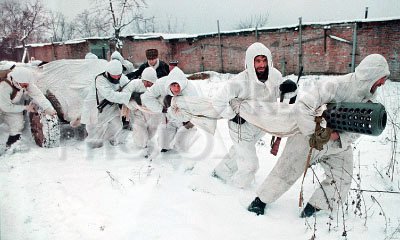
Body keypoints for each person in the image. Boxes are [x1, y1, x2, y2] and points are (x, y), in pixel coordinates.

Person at [247, 54, 390, 217]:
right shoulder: (335, 85)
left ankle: (316, 206)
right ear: (371, 73)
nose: (383, 82)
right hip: (308, 135)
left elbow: (360, 127)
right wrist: (316, 133)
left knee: (343, 175)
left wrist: (338, 138)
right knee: (287, 170)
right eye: (382, 78)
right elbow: (303, 107)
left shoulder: (370, 98)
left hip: (337, 143)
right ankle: (260, 201)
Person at [211, 42, 285, 189]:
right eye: (257, 61)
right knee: (250, 165)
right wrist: (232, 115)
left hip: (261, 125)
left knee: (240, 152)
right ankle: (239, 189)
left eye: (264, 60)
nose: (261, 65)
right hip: (241, 126)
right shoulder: (239, 81)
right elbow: (218, 101)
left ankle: (220, 173)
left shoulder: (275, 76)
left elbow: (281, 95)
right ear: (251, 62)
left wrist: (288, 89)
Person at [141, 67, 198, 152]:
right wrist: (162, 109)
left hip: (186, 121)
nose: (176, 89)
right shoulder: (161, 84)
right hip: (168, 117)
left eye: (178, 85)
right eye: (174, 85)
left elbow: (193, 113)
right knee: (163, 144)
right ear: (169, 84)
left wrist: (175, 111)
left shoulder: (190, 92)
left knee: (181, 147)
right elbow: (146, 97)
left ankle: (184, 144)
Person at [0, 67, 57, 152]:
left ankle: (11, 146)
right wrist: (26, 107)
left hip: (9, 105)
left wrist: (48, 108)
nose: (26, 87)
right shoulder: (4, 87)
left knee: (17, 124)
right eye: (24, 85)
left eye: (27, 84)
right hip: (4, 106)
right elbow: (5, 107)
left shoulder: (23, 83)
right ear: (16, 81)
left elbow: (38, 95)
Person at [83, 60, 136, 148]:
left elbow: (128, 86)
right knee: (95, 136)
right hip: (95, 108)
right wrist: (127, 96)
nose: (116, 77)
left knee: (117, 125)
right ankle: (93, 148)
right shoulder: (100, 80)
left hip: (111, 107)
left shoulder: (121, 77)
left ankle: (109, 142)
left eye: (118, 75)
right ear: (108, 72)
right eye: (114, 75)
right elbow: (111, 95)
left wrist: (134, 93)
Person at [123, 67, 162, 157]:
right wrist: (133, 96)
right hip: (138, 111)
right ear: (142, 79)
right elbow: (124, 96)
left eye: (150, 82)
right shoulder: (134, 84)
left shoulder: (158, 86)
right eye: (146, 81)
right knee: (140, 134)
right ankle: (141, 147)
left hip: (153, 113)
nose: (148, 84)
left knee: (151, 131)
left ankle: (148, 142)